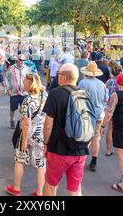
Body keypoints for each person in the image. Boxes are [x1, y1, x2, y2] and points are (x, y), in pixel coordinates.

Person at [43, 63, 89, 196]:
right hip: (80, 150)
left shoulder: (55, 94)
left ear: (64, 77)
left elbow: (48, 124)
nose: (57, 76)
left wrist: (45, 144)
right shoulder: (84, 94)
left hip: (59, 149)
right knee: (75, 189)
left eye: (58, 73)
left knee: (51, 185)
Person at [6, 73, 48, 196]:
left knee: (19, 159)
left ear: (29, 84)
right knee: (41, 163)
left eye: (24, 82)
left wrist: (24, 141)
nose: (22, 84)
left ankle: (16, 188)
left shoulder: (27, 101)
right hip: (41, 133)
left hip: (28, 134)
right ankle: (39, 192)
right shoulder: (44, 95)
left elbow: (26, 124)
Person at [78, 62, 108, 172]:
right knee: (96, 138)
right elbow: (106, 100)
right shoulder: (102, 84)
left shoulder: (82, 83)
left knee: (84, 138)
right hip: (99, 113)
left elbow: (79, 99)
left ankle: (81, 160)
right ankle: (94, 161)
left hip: (87, 114)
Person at [5, 54, 31, 129]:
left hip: (24, 93)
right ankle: (12, 120)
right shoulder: (11, 68)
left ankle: (22, 122)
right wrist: (8, 89)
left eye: (23, 60)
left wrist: (30, 89)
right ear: (17, 60)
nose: (22, 61)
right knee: (13, 108)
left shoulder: (27, 68)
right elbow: (6, 78)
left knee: (24, 109)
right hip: (14, 93)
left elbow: (30, 79)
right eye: (20, 60)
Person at [104, 62, 123, 156]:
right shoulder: (121, 81)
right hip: (120, 106)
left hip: (110, 105)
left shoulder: (109, 81)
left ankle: (108, 149)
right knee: (122, 128)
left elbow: (105, 91)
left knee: (110, 128)